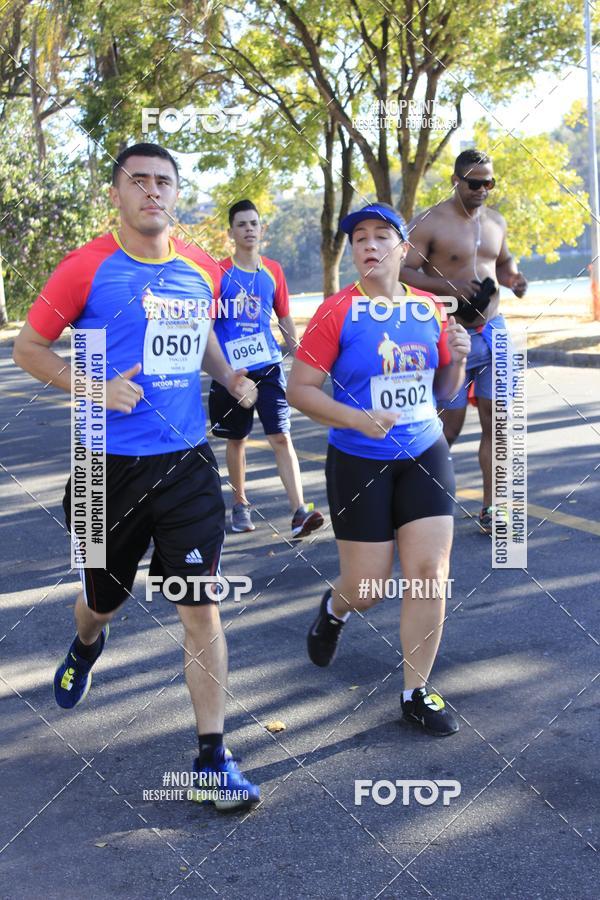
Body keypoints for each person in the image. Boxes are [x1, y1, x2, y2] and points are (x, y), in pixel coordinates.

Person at [12, 142, 260, 810]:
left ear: (177, 194)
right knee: (103, 601)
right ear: (117, 194)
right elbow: (29, 348)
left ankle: (212, 758)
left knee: (199, 607)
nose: (153, 192)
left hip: (186, 465)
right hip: (105, 469)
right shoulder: (85, 269)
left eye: (164, 182)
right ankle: (87, 642)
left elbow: (201, 335)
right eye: (139, 181)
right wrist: (92, 387)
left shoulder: (200, 269)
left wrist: (228, 374)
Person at [287, 202, 471, 736]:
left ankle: (416, 691)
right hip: (358, 459)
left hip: (424, 453)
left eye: (381, 235)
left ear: (403, 248)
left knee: (429, 574)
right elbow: (300, 389)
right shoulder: (336, 311)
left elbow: (445, 391)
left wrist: (458, 357)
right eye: (359, 237)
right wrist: (356, 418)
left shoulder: (428, 309)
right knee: (367, 588)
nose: (369, 244)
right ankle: (335, 608)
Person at [402, 149, 527, 534]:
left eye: (489, 183)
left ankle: (493, 509)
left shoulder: (496, 221)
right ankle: (413, 502)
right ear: (455, 181)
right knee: (447, 429)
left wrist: (514, 279)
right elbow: (402, 271)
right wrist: (448, 286)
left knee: (498, 423)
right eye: (474, 183)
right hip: (450, 333)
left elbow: (502, 263)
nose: (482, 190)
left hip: (494, 331)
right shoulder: (430, 222)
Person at [209, 199, 323, 538]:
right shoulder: (218, 273)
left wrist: (300, 358)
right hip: (233, 372)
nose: (248, 229)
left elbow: (285, 317)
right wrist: (221, 371)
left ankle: (299, 512)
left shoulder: (273, 270)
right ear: (230, 232)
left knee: (281, 435)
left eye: (253, 223)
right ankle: (240, 505)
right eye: (241, 224)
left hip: (269, 366)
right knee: (238, 440)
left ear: (262, 229)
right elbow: (208, 326)